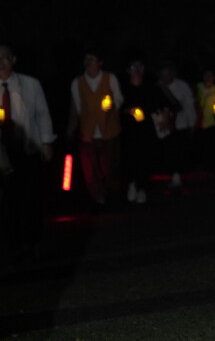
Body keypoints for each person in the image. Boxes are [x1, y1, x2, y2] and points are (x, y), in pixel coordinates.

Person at [0, 44, 55, 259]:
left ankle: (33, 242)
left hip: (27, 149)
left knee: (32, 199)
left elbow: (42, 114)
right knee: (9, 202)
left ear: (13, 59)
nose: (1, 62)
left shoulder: (30, 84)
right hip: (3, 155)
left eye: (5, 58)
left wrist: (46, 142)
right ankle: (13, 245)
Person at [68, 49, 124, 207]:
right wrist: (74, 129)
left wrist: (111, 105)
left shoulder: (110, 78)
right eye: (86, 60)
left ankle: (114, 196)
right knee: (91, 169)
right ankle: (99, 199)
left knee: (111, 166)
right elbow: (77, 108)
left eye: (92, 59)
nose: (88, 63)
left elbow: (119, 99)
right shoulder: (77, 82)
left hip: (109, 130)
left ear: (100, 63)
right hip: (88, 132)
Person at [119, 57, 168, 204]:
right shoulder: (123, 88)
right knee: (129, 159)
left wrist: (164, 116)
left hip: (146, 129)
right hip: (128, 130)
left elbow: (165, 103)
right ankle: (131, 184)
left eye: (139, 67)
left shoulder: (151, 87)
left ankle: (142, 189)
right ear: (128, 71)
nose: (137, 70)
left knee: (145, 159)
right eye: (133, 67)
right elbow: (114, 107)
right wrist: (130, 111)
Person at [157, 62, 196, 189]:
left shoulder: (182, 86)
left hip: (180, 124)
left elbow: (189, 105)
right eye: (163, 75)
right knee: (168, 151)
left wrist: (192, 123)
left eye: (167, 74)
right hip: (165, 125)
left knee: (180, 151)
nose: (165, 78)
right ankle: (172, 175)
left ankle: (179, 175)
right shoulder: (158, 87)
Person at [195, 69, 215, 175]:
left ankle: (212, 168)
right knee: (199, 146)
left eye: (210, 76)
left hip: (212, 123)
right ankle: (200, 167)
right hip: (198, 122)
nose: (208, 78)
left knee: (211, 146)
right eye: (206, 75)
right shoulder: (197, 88)